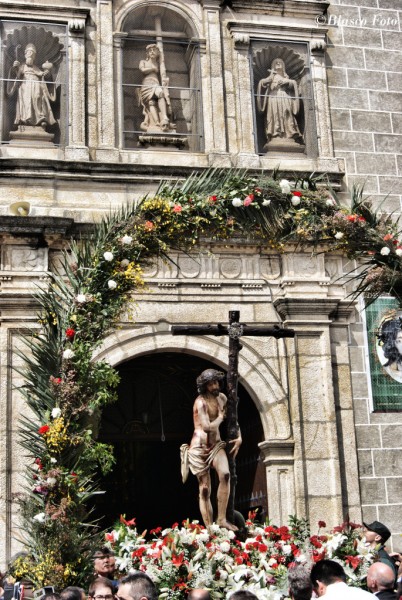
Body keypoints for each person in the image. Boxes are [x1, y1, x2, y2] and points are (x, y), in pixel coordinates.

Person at [180, 369, 242, 531]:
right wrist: (221, 418)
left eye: (216, 382)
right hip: (199, 448)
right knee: (205, 488)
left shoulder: (222, 398)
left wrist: (239, 437)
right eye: (211, 384)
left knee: (225, 475)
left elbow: (233, 420)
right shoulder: (200, 402)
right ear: (204, 386)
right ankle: (209, 528)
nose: (215, 386)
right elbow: (207, 427)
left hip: (216, 445)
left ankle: (221, 519)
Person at [7, 43, 56, 129]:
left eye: (32, 54)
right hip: (25, 87)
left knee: (38, 98)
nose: (30, 55)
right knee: (26, 102)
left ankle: (41, 119)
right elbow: (17, 76)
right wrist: (15, 68)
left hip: (36, 85)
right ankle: (25, 119)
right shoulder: (21, 66)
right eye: (29, 53)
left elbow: (42, 75)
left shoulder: (36, 67)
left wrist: (47, 74)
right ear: (25, 54)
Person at [257, 57, 303, 148]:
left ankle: (289, 134)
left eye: (280, 62)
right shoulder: (271, 76)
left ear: (284, 66)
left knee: (287, 114)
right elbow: (262, 84)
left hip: (284, 97)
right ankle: (275, 134)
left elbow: (294, 85)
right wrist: (269, 78)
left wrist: (287, 82)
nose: (278, 63)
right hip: (273, 98)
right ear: (273, 66)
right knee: (275, 114)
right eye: (276, 62)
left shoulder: (287, 78)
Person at [138, 44, 171, 133]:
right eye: (150, 50)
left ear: (157, 53)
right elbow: (142, 70)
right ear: (147, 53)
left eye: (154, 50)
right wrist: (152, 69)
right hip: (146, 85)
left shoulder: (159, 63)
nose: (152, 52)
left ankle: (164, 117)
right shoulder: (143, 62)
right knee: (151, 102)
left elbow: (162, 75)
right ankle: (156, 123)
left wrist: (165, 82)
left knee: (160, 93)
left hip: (156, 84)